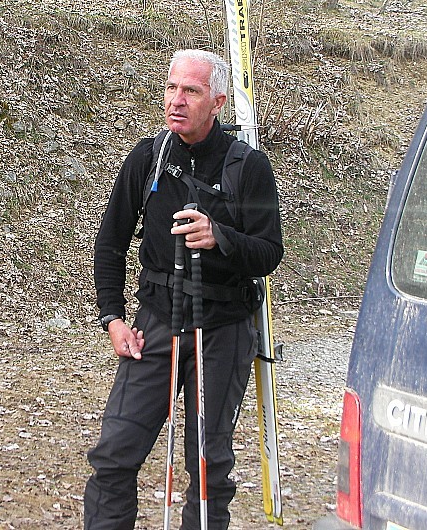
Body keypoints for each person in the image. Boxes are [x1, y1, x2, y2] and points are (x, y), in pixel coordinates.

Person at [83, 49, 283, 530]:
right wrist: (112, 318)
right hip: (156, 322)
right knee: (114, 454)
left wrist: (221, 237)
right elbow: (109, 244)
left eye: (190, 91)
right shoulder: (149, 157)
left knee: (209, 467)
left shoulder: (248, 166)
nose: (176, 100)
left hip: (223, 327)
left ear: (216, 101)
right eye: (171, 88)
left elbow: (268, 252)